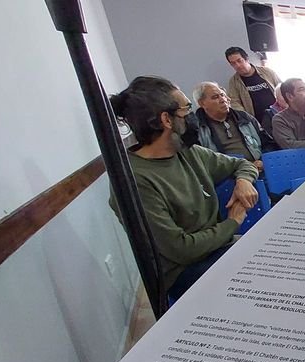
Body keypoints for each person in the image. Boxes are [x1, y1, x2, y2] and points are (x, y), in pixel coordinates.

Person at [108, 76, 257, 301]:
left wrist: (243, 181)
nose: (192, 115)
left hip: (217, 250)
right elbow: (182, 249)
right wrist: (232, 223)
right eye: (186, 108)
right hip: (185, 272)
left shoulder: (187, 152)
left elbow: (242, 164)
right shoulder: (136, 180)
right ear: (167, 119)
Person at [192, 82, 277, 171]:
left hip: (259, 167)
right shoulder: (197, 128)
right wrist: (243, 167)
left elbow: (268, 143)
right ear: (202, 103)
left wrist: (263, 161)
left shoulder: (244, 117)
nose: (223, 100)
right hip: (227, 173)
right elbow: (200, 161)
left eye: (222, 95)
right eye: (215, 97)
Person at [225, 46, 280, 128]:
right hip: (257, 123)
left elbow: (282, 90)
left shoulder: (267, 72)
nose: (237, 65)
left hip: (278, 116)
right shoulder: (234, 82)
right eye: (233, 63)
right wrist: (249, 120)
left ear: (246, 59)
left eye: (239, 61)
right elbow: (235, 103)